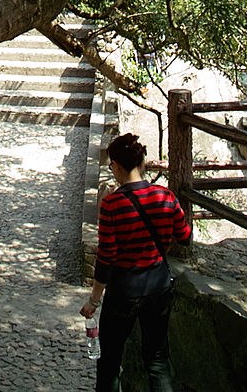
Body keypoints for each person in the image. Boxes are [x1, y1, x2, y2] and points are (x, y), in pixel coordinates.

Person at [80, 132, 192, 392]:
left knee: (109, 360)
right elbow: (184, 237)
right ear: (142, 163)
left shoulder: (112, 204)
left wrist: (94, 300)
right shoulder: (165, 196)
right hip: (159, 285)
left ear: (117, 166)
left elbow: (106, 257)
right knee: (157, 360)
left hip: (124, 290)